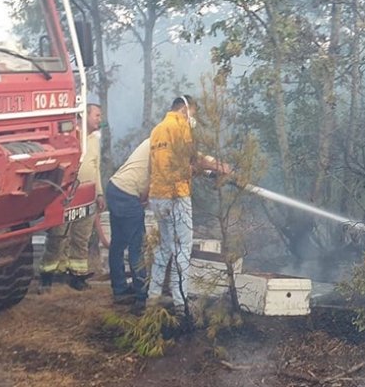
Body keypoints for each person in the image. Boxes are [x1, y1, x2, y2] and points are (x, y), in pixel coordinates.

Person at [147, 95, 230, 315]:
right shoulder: (180, 125)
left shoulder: (157, 130)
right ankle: (181, 303)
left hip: (157, 195)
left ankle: (152, 298)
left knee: (165, 247)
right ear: (185, 109)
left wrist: (203, 169)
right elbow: (193, 158)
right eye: (193, 113)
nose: (193, 118)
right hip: (177, 195)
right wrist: (219, 168)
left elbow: (165, 164)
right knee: (183, 249)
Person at [39, 103, 105, 291]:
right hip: (65, 195)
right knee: (57, 236)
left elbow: (96, 168)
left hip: (88, 196)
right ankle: (47, 276)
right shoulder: (68, 138)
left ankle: (77, 277)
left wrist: (99, 193)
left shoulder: (94, 140)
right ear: (84, 117)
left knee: (81, 237)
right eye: (97, 115)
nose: (100, 119)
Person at [106, 138, 150, 309]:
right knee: (137, 245)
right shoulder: (164, 143)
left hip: (114, 187)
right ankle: (141, 296)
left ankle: (119, 290)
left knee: (118, 243)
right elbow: (153, 179)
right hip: (128, 193)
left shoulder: (150, 140)